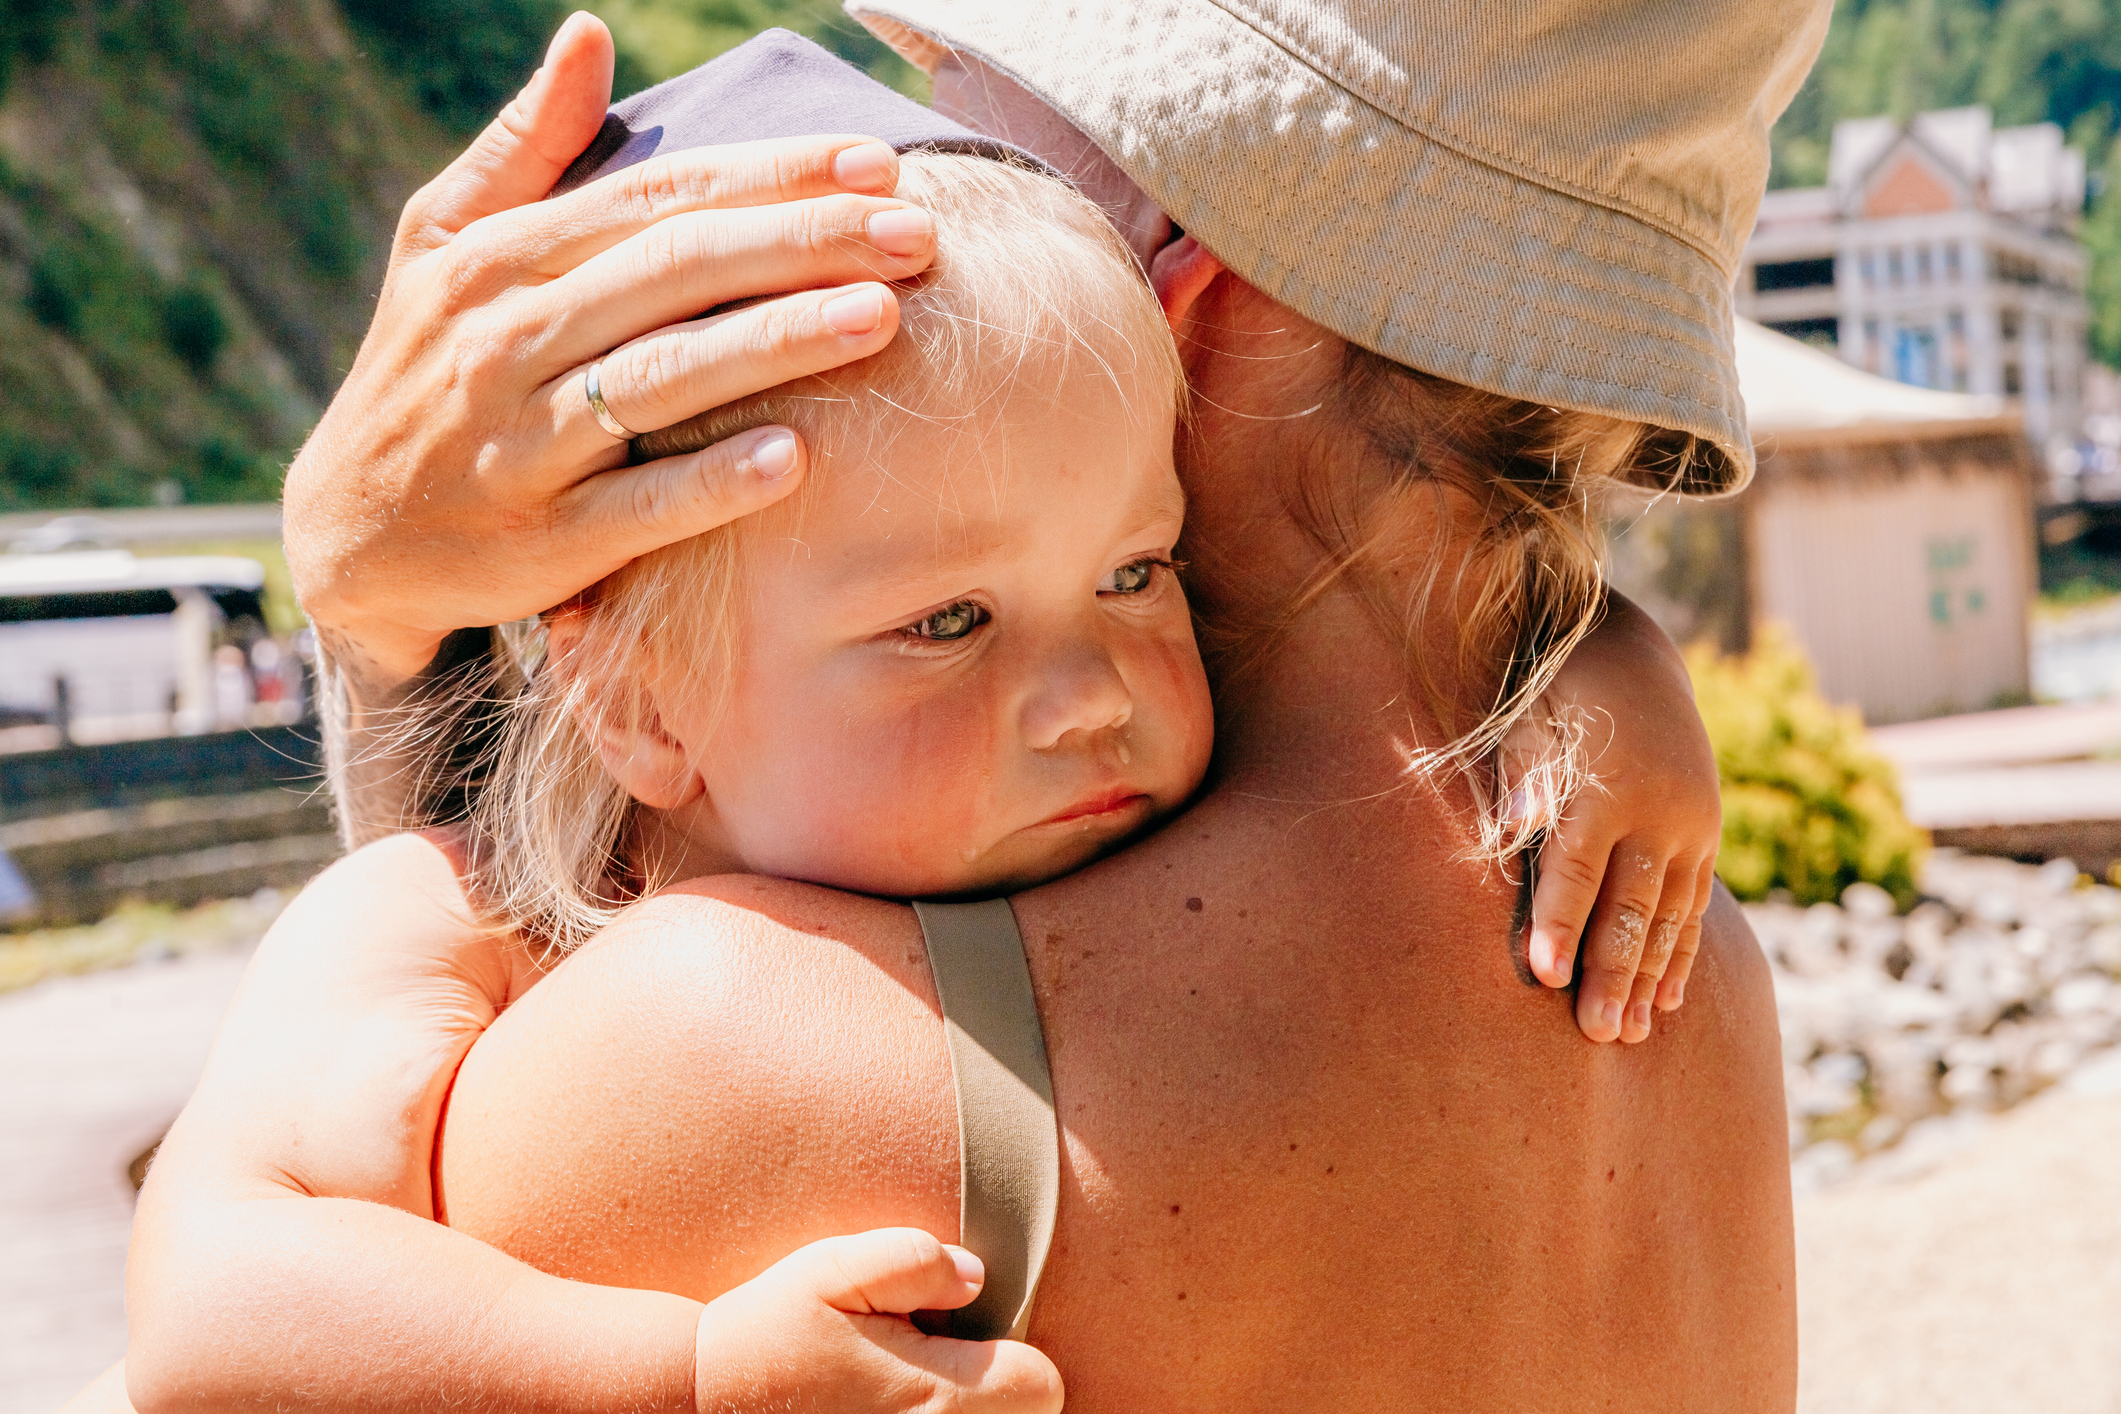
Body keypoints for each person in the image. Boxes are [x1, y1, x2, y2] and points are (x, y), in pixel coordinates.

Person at [126, 1, 1824, 1409]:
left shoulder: (746, 1048)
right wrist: (1597, 642)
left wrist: (373, 604)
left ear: (1190, 305)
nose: (922, 132)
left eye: (977, 105)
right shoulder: (1682, 961)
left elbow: (265, 1288)